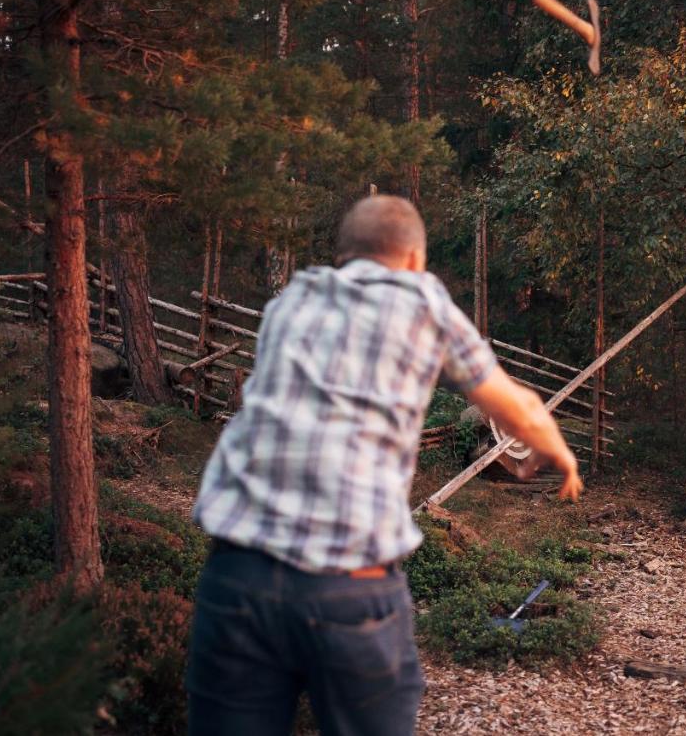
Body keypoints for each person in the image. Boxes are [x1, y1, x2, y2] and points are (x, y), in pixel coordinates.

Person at [185, 195, 582, 736]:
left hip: (236, 576)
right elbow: (515, 406)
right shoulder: (421, 300)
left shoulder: (291, 301)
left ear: (345, 255)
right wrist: (563, 456)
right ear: (415, 260)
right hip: (348, 584)